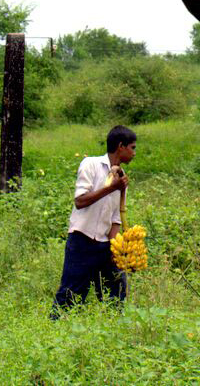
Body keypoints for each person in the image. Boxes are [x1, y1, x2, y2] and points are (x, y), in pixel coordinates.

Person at [51, 125, 137, 318]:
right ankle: (54, 330)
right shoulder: (90, 164)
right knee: (71, 294)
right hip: (82, 240)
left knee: (116, 290)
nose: (134, 153)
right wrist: (110, 188)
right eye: (132, 147)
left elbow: (115, 218)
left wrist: (116, 249)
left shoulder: (122, 179)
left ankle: (112, 331)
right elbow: (80, 201)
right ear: (120, 146)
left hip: (105, 245)